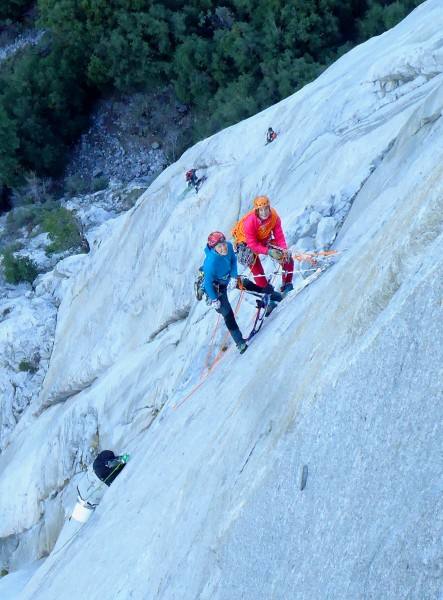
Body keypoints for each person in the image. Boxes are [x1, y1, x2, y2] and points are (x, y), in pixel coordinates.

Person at [202, 231, 282, 353]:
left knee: (246, 283)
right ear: (214, 248)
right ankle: (240, 342)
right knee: (227, 314)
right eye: (219, 246)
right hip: (216, 287)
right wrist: (214, 299)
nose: (223, 248)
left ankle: (273, 295)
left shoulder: (228, 246)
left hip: (228, 277)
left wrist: (234, 276)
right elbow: (207, 284)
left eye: (223, 244)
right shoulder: (210, 264)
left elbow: (233, 260)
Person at [231, 195, 294, 299]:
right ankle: (268, 294)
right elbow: (253, 245)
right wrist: (269, 252)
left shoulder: (274, 217)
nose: (264, 212)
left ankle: (286, 285)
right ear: (257, 211)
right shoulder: (250, 222)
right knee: (257, 270)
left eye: (266, 209)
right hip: (245, 243)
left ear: (269, 208)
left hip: (264, 237)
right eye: (261, 210)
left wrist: (283, 249)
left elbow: (279, 235)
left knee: (286, 258)